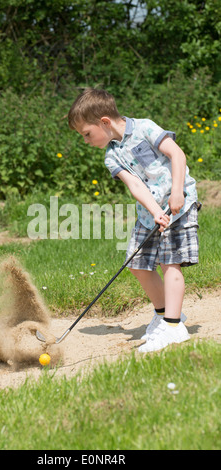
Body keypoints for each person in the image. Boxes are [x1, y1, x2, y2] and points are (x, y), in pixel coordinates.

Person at [68, 88, 199, 352]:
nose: (86, 140)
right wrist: (154, 212)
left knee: (170, 262)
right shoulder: (111, 156)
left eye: (86, 134)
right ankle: (164, 316)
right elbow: (135, 186)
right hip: (150, 215)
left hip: (179, 204)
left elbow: (177, 155)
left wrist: (176, 192)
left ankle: (174, 327)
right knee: (137, 264)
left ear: (104, 122)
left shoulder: (145, 128)